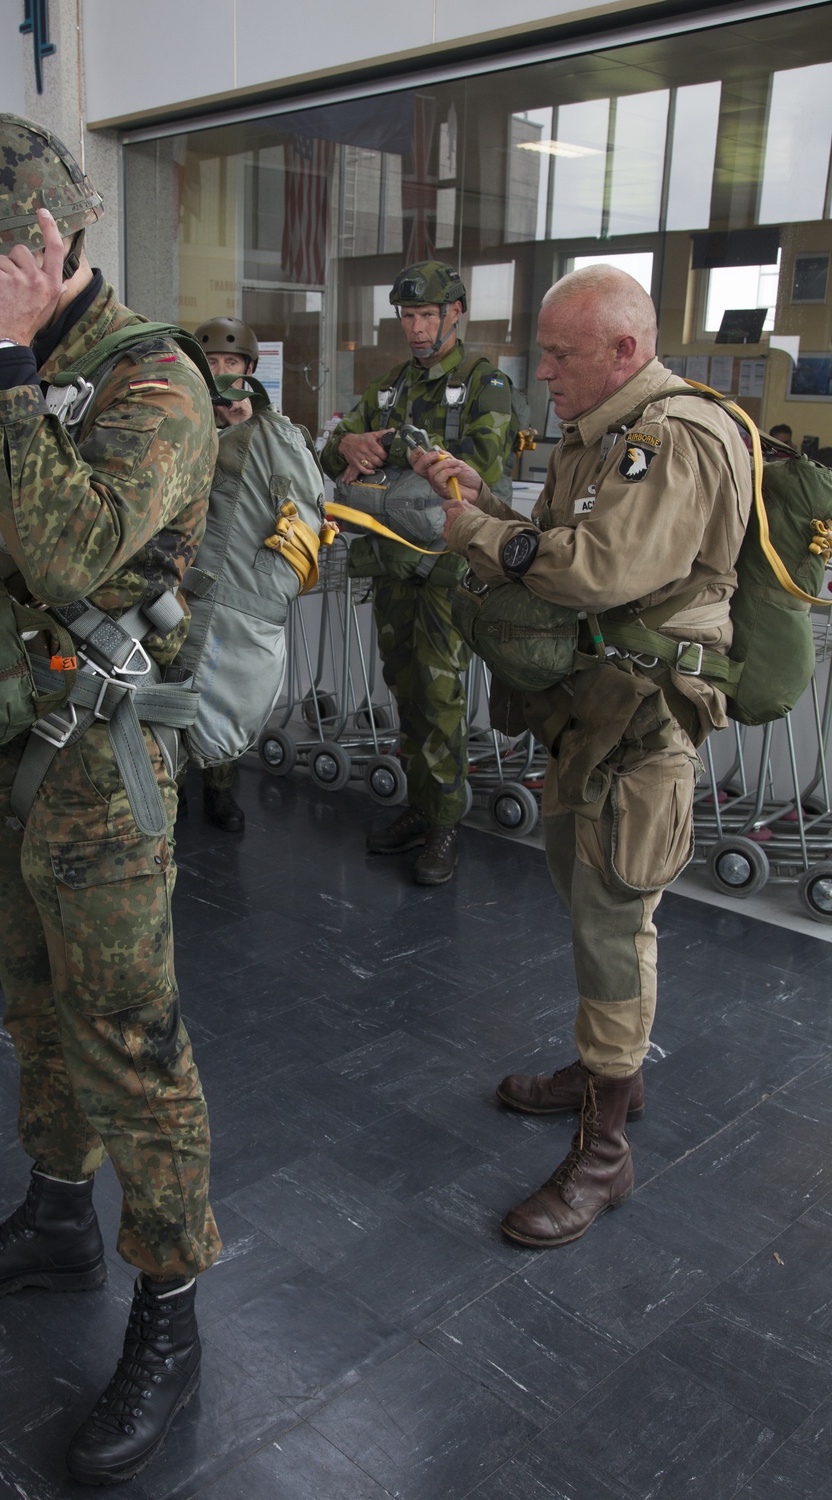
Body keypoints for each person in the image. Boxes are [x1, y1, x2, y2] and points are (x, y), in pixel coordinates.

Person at [0, 113, 220, 1486]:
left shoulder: (153, 385)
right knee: (33, 1006)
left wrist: (7, 370)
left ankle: (173, 1305)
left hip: (106, 773)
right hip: (9, 753)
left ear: (41, 239)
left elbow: (72, 551)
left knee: (128, 1035)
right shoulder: (29, 368)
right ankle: (61, 1212)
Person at [413, 264, 751, 1247]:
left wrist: (476, 529)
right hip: (593, 719)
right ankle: (612, 1078)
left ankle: (602, 1156)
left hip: (640, 732)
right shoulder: (599, 436)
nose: (541, 370)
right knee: (585, 895)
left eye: (560, 353)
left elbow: (597, 572)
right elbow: (561, 546)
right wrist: (490, 510)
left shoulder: (669, 440)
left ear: (623, 350)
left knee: (613, 922)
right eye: (541, 350)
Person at [321, 261, 514, 884]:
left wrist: (391, 444)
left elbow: (477, 469)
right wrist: (349, 446)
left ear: (455, 312)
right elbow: (334, 446)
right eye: (407, 316)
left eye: (428, 314)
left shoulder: (487, 385)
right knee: (404, 689)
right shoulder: (389, 386)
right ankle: (420, 807)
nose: (417, 327)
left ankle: (446, 824)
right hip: (391, 567)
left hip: (446, 572)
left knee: (441, 696)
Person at [173, 314, 263, 835]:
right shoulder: (181, 415)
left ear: (249, 369)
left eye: (233, 362)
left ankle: (221, 788)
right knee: (174, 677)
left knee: (220, 682)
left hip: (231, 574)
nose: (224, 372)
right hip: (180, 571)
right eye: (214, 362)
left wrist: (246, 423)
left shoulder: (259, 423)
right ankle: (175, 782)